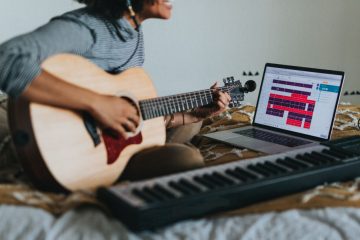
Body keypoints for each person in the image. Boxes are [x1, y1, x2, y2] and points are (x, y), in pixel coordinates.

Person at [0, 0, 231, 181]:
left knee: (193, 123)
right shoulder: (87, 28)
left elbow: (126, 110)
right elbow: (6, 60)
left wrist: (187, 116)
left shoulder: (134, 34)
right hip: (59, 132)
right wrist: (97, 103)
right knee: (186, 159)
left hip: (106, 136)